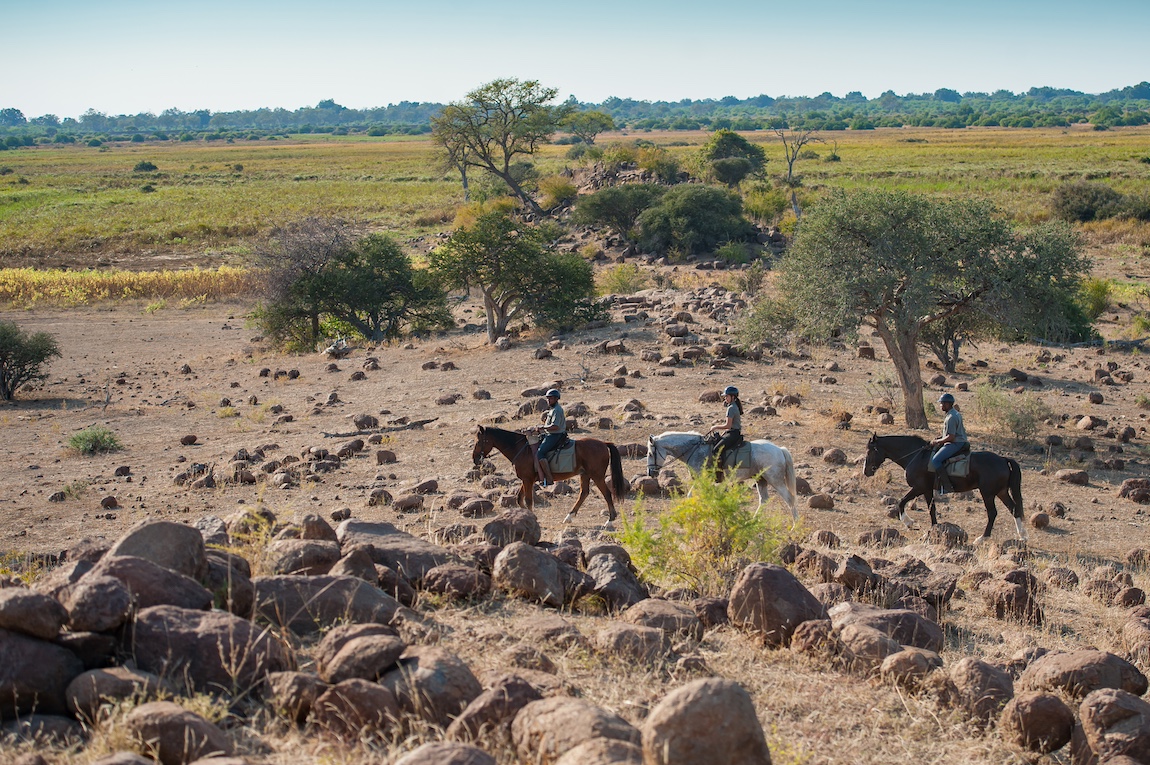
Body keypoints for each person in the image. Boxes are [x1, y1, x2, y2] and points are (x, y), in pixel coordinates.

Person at [929, 392, 968, 493]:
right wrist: (940, 438)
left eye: (941, 403)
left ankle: (947, 486)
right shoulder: (954, 413)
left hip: (956, 443)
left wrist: (937, 441)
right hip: (959, 441)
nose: (940, 405)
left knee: (936, 460)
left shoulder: (951, 417)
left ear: (947, 404)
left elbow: (951, 437)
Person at [707, 385, 743, 475]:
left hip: (733, 434)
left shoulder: (731, 408)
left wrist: (715, 427)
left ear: (733, 397)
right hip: (733, 433)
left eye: (726, 396)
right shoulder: (734, 406)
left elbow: (728, 425)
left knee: (716, 450)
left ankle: (719, 474)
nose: (725, 398)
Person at [532, 389, 566, 486]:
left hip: (555, 435)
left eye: (551, 398)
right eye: (548, 398)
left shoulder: (557, 410)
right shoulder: (552, 410)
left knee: (540, 453)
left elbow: (555, 426)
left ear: (556, 399)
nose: (548, 400)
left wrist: (542, 427)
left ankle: (549, 478)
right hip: (550, 434)